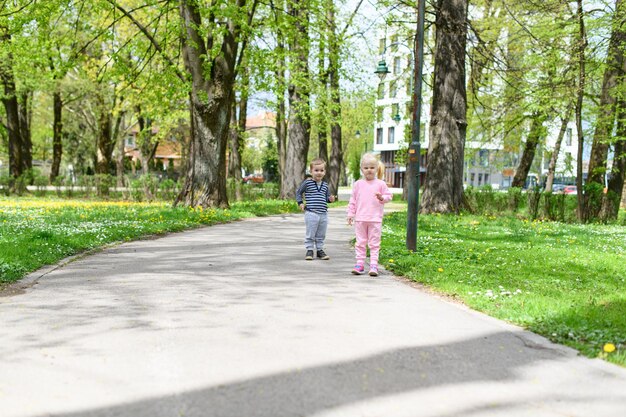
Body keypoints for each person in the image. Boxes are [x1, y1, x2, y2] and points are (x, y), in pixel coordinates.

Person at [347, 153, 392, 276]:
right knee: (360, 242)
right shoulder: (358, 184)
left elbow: (389, 197)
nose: (369, 170)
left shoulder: (381, 184)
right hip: (360, 219)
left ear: (377, 168)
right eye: (366, 168)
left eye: (372, 167)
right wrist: (351, 214)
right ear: (362, 169)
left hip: (375, 219)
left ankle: (373, 265)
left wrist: (382, 197)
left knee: (374, 243)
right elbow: (353, 200)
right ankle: (360, 264)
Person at [296, 159, 335, 260]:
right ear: (311, 171)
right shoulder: (307, 183)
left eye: (321, 170)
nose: (319, 173)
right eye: (316, 170)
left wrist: (330, 199)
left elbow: (326, 198)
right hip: (311, 212)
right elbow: (299, 192)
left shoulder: (325, 185)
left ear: (324, 172)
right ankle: (309, 250)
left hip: (323, 213)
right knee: (311, 232)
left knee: (321, 233)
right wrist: (300, 202)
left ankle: (319, 250)